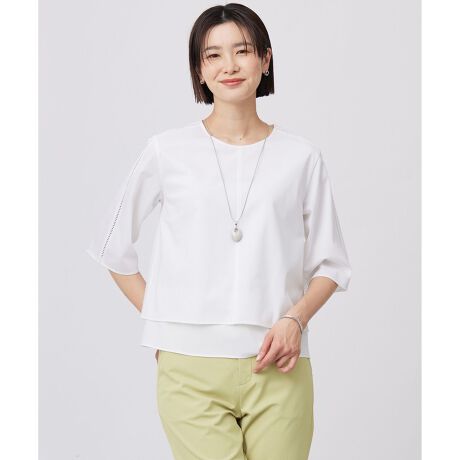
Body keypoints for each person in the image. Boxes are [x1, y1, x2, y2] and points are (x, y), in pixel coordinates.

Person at [86, 3, 352, 459]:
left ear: (265, 60)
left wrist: (295, 321)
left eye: (242, 51)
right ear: (199, 69)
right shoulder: (167, 151)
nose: (229, 65)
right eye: (213, 55)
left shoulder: (301, 157)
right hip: (189, 371)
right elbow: (112, 247)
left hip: (280, 362)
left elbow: (331, 264)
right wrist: (168, 324)